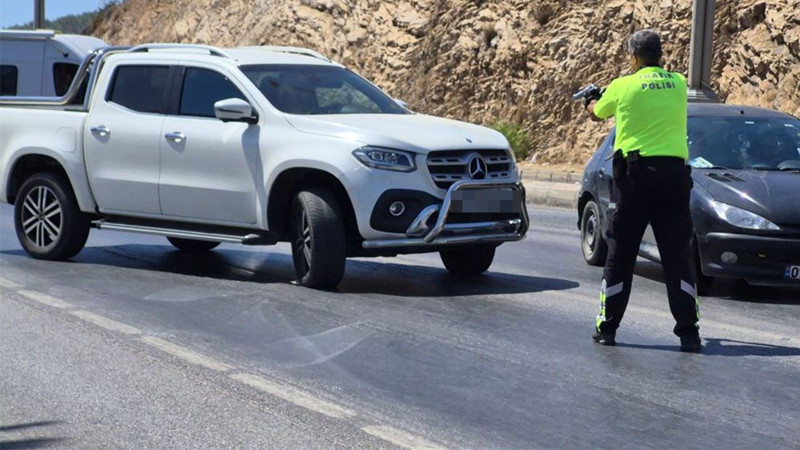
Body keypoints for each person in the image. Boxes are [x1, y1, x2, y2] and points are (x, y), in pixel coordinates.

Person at [585, 29, 702, 353]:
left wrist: (591, 100)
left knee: (621, 255)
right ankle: (689, 334)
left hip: (634, 182)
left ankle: (607, 328)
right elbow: (654, 91)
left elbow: (598, 113)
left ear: (633, 57)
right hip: (674, 180)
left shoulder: (623, 85)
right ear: (660, 54)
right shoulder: (678, 83)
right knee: (678, 258)